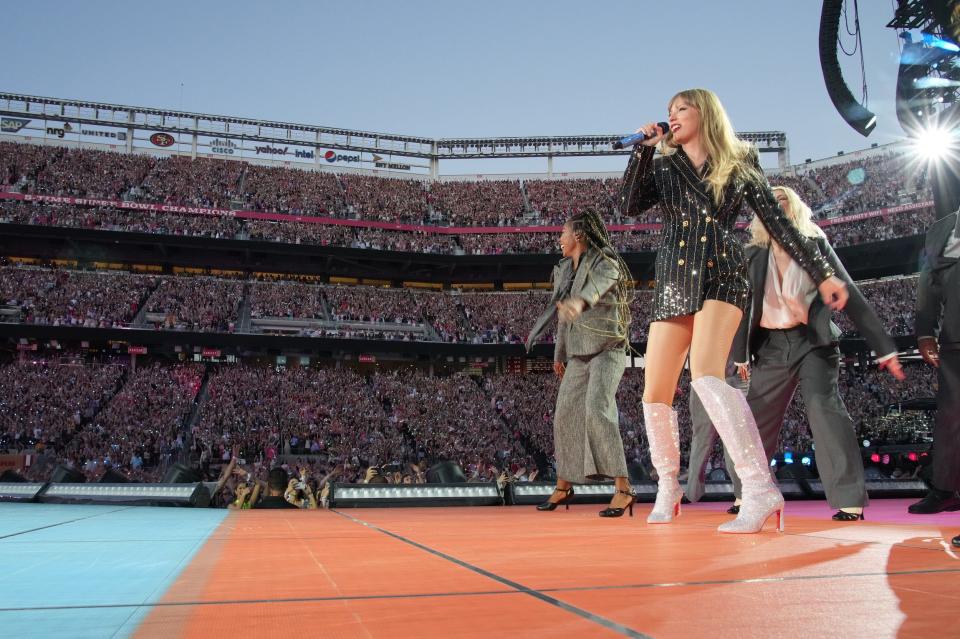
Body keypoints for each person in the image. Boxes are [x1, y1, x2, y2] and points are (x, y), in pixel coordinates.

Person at [620, 88, 849, 533]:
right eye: (669, 111)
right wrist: (642, 154)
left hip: (721, 271)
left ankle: (759, 487)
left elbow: (778, 222)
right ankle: (668, 484)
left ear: (704, 113)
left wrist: (822, 271)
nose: (672, 116)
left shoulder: (741, 160)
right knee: (655, 391)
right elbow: (628, 205)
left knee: (706, 376)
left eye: (681, 109)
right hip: (673, 275)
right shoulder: (664, 162)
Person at [718, 185, 903, 521]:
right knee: (750, 424)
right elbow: (741, 308)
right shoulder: (750, 253)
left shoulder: (815, 245)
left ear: (795, 208)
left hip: (812, 342)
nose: (776, 206)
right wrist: (740, 354)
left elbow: (850, 293)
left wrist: (883, 347)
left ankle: (849, 501)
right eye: (769, 203)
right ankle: (750, 493)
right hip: (769, 346)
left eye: (783, 201)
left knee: (825, 410)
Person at [526, 209, 635, 517]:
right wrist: (560, 355)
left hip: (607, 350)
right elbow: (563, 318)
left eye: (563, 232)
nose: (559, 238)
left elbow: (596, 288)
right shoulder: (566, 270)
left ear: (578, 235)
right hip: (577, 354)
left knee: (598, 410)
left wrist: (580, 302)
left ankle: (623, 489)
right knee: (564, 416)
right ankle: (564, 485)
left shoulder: (607, 262)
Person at [911, 208, 960, 514]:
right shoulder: (942, 229)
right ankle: (945, 489)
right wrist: (925, 332)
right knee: (950, 419)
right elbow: (928, 283)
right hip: (954, 336)